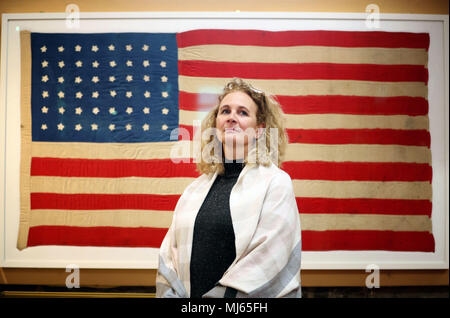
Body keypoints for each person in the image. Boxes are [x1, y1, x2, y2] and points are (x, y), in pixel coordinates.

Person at [156, 78, 302, 298]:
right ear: (216, 124)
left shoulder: (275, 182)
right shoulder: (194, 191)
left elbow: (269, 258)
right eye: (225, 111)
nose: (232, 118)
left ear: (259, 131)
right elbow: (170, 257)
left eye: (243, 113)